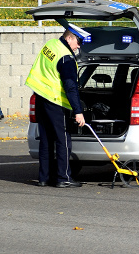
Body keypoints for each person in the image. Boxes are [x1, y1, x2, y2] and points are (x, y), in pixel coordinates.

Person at [26, 24, 88, 188]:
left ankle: (44, 178)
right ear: (69, 38)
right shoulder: (66, 58)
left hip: (40, 98)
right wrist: (78, 111)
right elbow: (70, 87)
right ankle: (63, 178)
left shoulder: (51, 44)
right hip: (55, 102)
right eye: (79, 42)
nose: (79, 46)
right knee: (63, 140)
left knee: (45, 140)